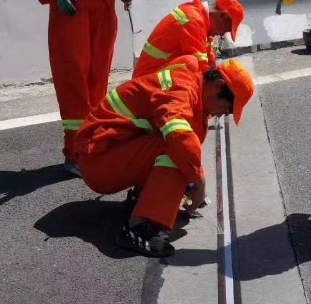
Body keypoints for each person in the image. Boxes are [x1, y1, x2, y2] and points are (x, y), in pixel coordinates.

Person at [75, 56, 254, 257]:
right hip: (98, 161)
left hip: (104, 153)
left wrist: (189, 182)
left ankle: (144, 198)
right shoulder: (181, 91)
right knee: (175, 149)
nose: (222, 114)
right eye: (227, 108)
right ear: (218, 86)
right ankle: (140, 227)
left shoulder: (190, 80)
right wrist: (198, 182)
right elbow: (179, 138)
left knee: (180, 153)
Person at [39, 0, 131, 176]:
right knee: (73, 81)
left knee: (98, 81)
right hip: (73, 11)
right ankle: (76, 153)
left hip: (103, 9)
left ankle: (94, 145)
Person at [132, 0, 245, 78]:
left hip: (152, 76)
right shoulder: (193, 21)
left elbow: (207, 56)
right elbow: (201, 72)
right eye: (227, 29)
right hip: (146, 83)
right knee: (192, 66)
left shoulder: (198, 16)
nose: (222, 34)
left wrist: (214, 70)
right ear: (223, 16)